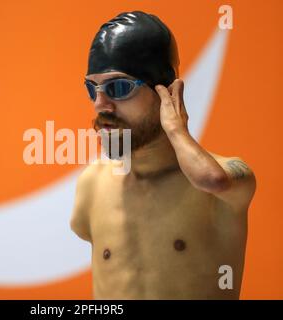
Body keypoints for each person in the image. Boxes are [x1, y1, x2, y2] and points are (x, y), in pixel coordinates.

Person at [70, 11, 256, 299]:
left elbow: (213, 181)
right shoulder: (92, 184)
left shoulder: (224, 183)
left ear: (167, 91)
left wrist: (176, 130)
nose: (100, 105)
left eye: (118, 87)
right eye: (92, 88)